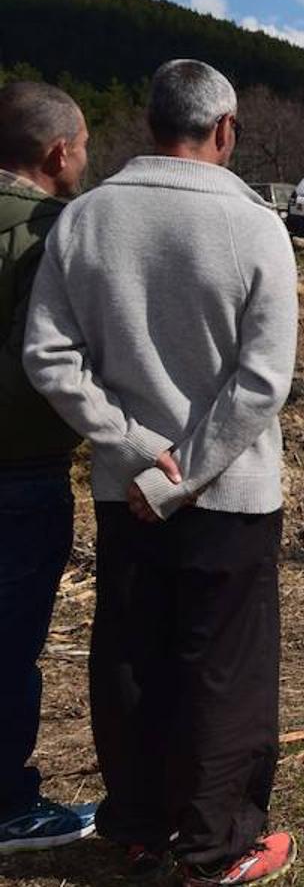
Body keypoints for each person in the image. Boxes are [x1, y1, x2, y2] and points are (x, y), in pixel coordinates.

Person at [23, 60, 298, 884]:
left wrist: (134, 447)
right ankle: (217, 848)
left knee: (133, 659)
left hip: (125, 491)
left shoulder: (86, 218)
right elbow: (262, 381)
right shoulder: (256, 228)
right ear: (224, 130)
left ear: (148, 127)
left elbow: (50, 356)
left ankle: (141, 826)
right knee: (227, 671)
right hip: (233, 495)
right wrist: (186, 470)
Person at [0, 81, 98, 855]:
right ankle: (8, 807)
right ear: (57, 152)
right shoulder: (51, 233)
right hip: (19, 471)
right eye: (87, 147)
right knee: (8, 644)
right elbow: (54, 362)